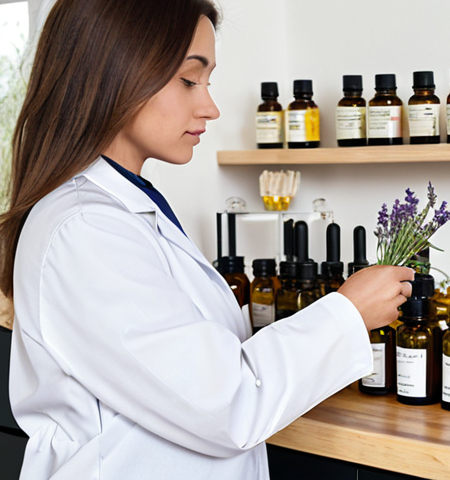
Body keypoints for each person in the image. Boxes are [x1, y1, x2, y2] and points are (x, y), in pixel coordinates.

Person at [0, 0, 413, 478]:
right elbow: (227, 402)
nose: (210, 107)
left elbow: (199, 371)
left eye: (208, 81)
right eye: (189, 80)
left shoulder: (125, 209)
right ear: (114, 72)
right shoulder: (83, 230)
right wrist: (347, 313)